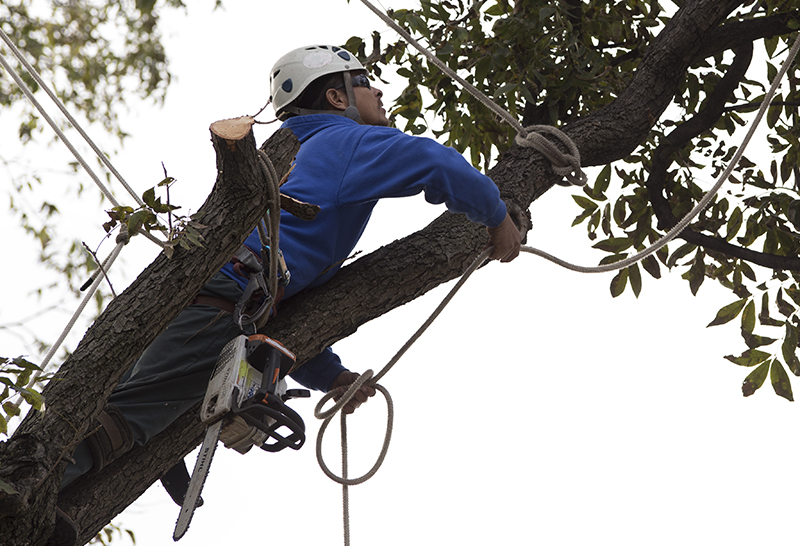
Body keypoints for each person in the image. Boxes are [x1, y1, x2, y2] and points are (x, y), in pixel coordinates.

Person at [49, 44, 521, 545]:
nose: (379, 91)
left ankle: (48, 503)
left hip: (216, 296)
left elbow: (293, 301)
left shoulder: (295, 151)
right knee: (127, 419)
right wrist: (497, 217)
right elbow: (434, 161)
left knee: (122, 407)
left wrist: (330, 375)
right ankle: (32, 494)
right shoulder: (342, 142)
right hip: (225, 302)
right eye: (365, 82)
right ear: (337, 96)